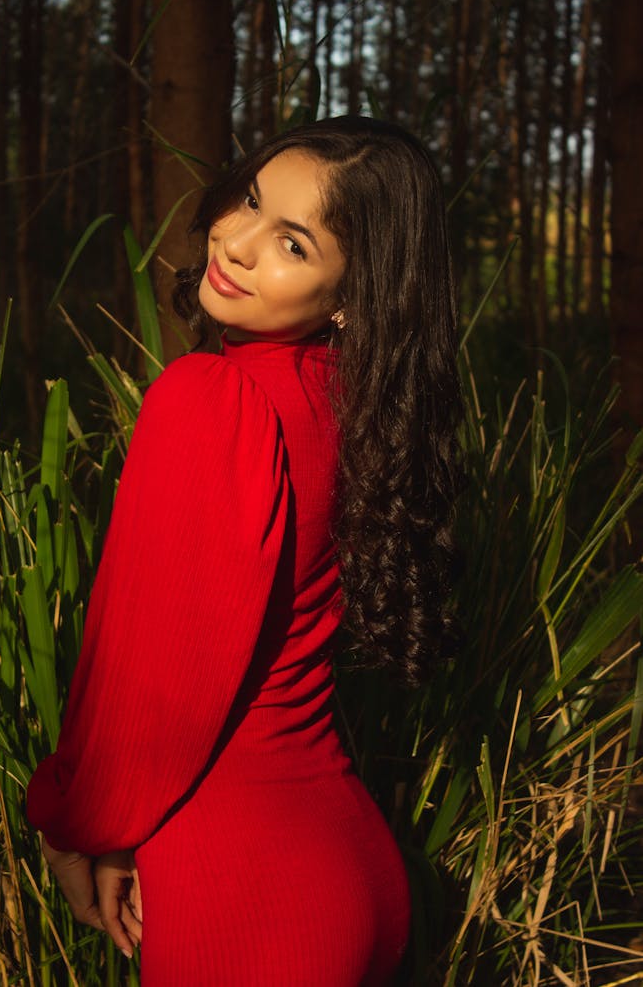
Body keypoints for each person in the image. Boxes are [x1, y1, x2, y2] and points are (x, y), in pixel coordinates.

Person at [27, 115, 462, 985]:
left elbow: (149, 677)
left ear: (352, 295)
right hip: (351, 864)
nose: (237, 240)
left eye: (293, 243)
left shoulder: (207, 398)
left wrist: (79, 821)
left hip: (244, 893)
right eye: (252, 200)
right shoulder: (351, 406)